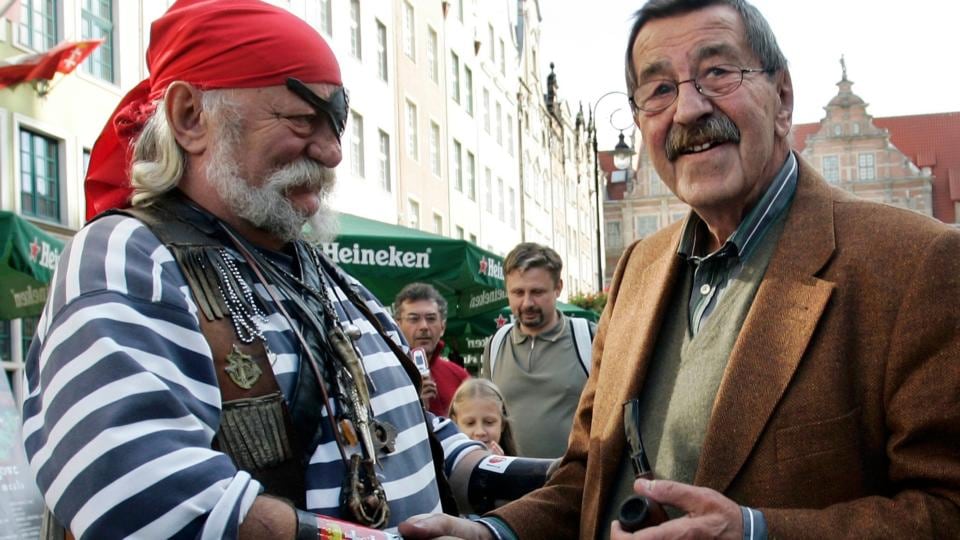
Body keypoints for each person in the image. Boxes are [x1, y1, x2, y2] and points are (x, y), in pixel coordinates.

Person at [400, 0, 960, 538]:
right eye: (660, 89)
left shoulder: (915, 265)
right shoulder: (639, 270)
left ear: (783, 97)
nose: (688, 110)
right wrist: (495, 531)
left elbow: (946, 510)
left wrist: (755, 532)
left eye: (718, 73)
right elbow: (586, 479)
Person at [19, 2, 494, 538]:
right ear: (190, 117)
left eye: (336, 126)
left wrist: (534, 484)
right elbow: (136, 488)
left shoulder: (331, 278)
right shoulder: (125, 257)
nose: (332, 153)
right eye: (301, 119)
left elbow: (405, 427)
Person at [480, 242, 595, 459]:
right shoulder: (496, 345)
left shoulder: (589, 339)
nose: (527, 303)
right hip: (511, 486)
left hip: (573, 486)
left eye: (537, 292)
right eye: (517, 292)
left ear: (558, 287)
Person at [394, 283, 471, 417]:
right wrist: (415, 405)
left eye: (431, 319)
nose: (424, 326)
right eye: (414, 319)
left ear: (442, 326)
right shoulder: (384, 376)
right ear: (397, 325)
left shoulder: (460, 378)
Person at [448, 378, 519, 457]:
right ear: (455, 424)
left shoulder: (514, 467)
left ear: (502, 424)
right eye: (470, 423)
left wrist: (500, 466)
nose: (480, 432)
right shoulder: (443, 466)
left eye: (489, 422)